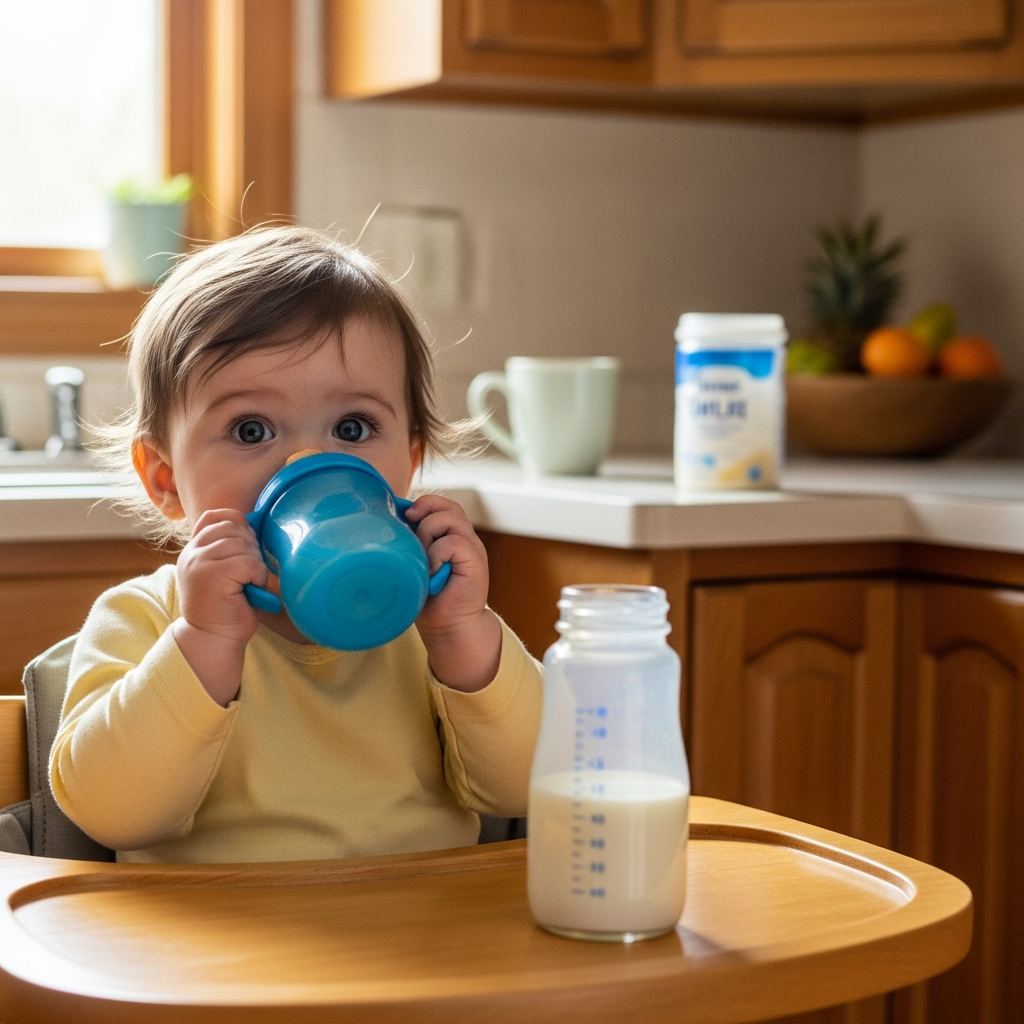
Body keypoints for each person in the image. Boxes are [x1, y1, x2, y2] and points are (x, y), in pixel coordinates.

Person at [49, 226, 543, 864]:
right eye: (251, 429)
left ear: (409, 464)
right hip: (221, 951)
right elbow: (113, 815)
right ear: (166, 481)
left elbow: (531, 788)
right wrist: (205, 642)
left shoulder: (433, 625)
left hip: (423, 945)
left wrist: (463, 634)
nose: (310, 461)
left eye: (353, 427)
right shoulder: (145, 620)